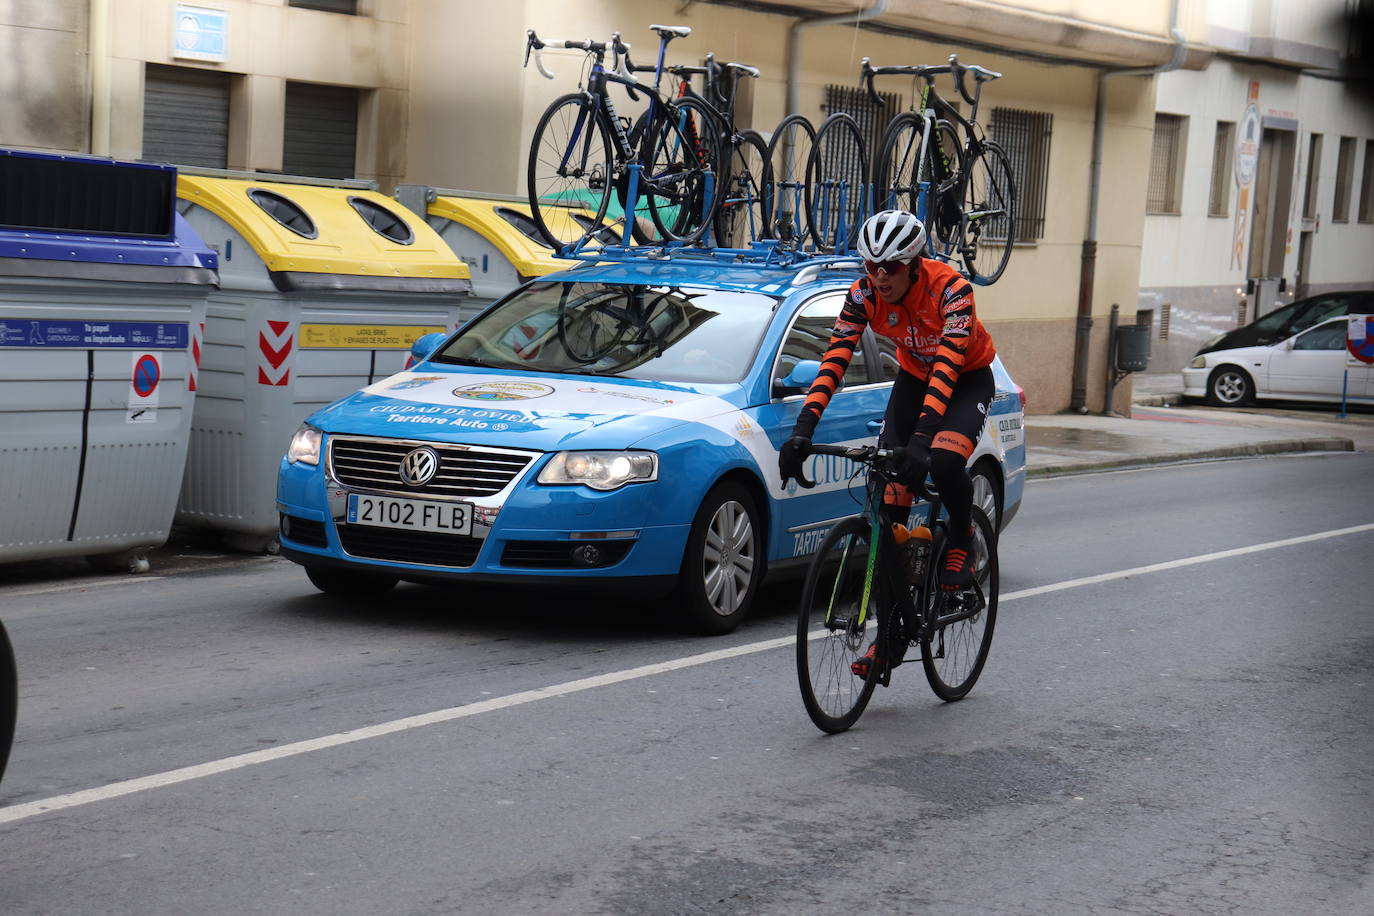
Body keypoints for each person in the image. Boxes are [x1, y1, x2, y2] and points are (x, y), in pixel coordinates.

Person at [778, 210, 998, 593]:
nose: (880, 275)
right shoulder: (862, 295)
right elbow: (834, 360)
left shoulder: (952, 290)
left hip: (965, 380)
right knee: (889, 506)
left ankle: (963, 538)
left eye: (891, 267)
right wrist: (802, 430)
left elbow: (947, 367)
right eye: (872, 265)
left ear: (913, 265)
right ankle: (890, 638)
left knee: (944, 461)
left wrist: (920, 443)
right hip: (914, 380)